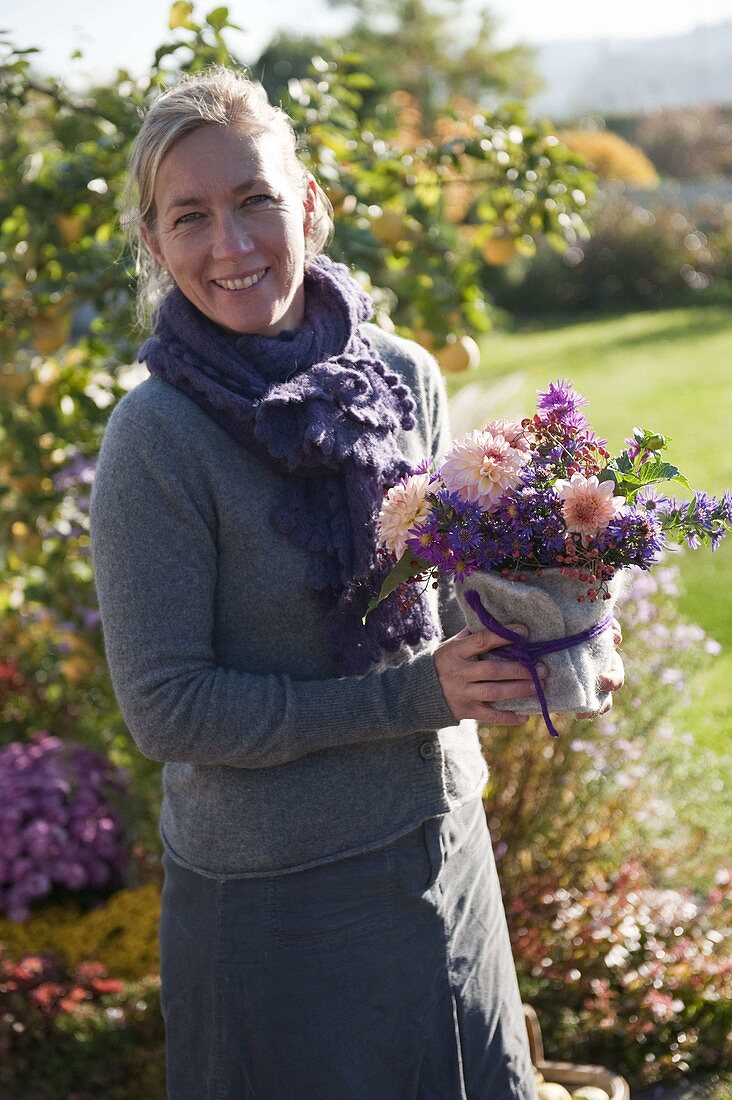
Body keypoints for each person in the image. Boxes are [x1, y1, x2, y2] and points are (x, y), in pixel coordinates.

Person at [90, 67, 624, 1100]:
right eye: (190, 217)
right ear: (156, 246)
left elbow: (453, 585)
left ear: (311, 203)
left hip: (440, 842)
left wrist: (559, 635)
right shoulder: (157, 438)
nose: (231, 244)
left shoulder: (404, 374)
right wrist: (413, 696)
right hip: (276, 896)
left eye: (255, 199)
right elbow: (166, 707)